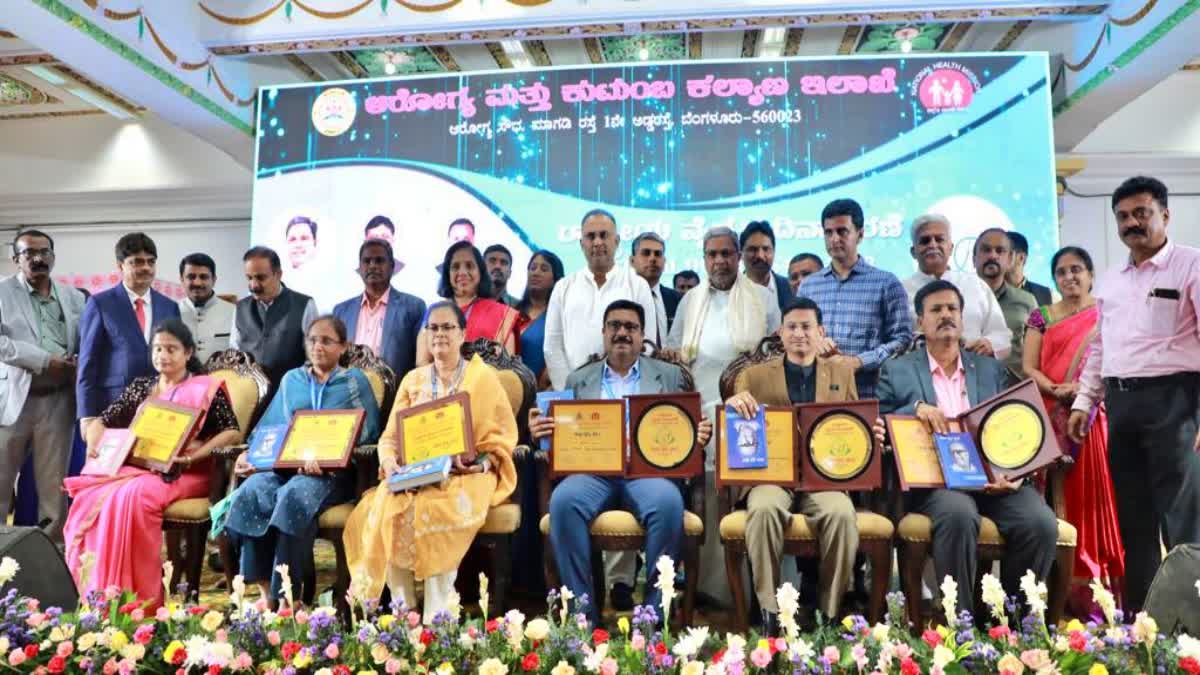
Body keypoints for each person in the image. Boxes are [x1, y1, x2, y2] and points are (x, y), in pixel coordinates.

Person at [874, 280, 1058, 613]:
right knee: (959, 515)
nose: (945, 315)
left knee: (1040, 523)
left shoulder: (990, 369)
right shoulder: (898, 370)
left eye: (952, 309)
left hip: (996, 480)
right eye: (936, 310)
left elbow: (1013, 424)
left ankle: (1014, 623)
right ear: (920, 322)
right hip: (938, 483)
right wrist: (915, 408)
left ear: (962, 318)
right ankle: (960, 625)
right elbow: (881, 419)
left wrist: (1015, 475)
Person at [530, 299, 712, 623]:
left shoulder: (669, 376)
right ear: (603, 333)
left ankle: (653, 620)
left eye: (631, 327)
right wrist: (542, 432)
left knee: (668, 503)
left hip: (648, 473)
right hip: (594, 474)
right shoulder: (578, 379)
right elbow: (564, 436)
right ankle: (582, 617)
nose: (622, 333)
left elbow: (685, 427)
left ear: (643, 335)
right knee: (563, 501)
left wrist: (696, 436)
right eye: (615, 325)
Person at [1067, 175, 1200, 614]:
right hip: (1121, 406)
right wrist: (1086, 401)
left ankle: (1193, 625)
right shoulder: (1109, 280)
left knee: (1184, 522)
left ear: (1165, 214)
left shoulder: (1191, 266)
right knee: (1135, 524)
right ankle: (1147, 627)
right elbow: (1101, 345)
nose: (1132, 223)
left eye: (1141, 213)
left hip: (1176, 402)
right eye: (1123, 216)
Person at [344, 301, 518, 622]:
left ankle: (437, 619)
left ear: (463, 334)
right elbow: (390, 437)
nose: (439, 334)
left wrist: (478, 463)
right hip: (415, 473)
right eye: (433, 328)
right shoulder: (414, 380)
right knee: (388, 505)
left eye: (447, 327)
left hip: (466, 474)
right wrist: (390, 461)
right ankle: (402, 612)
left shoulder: (483, 379)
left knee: (438, 507)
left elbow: (501, 440)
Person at [64, 319, 241, 607]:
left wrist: (193, 456)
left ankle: (141, 597)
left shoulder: (205, 388)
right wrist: (94, 443)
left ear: (188, 352)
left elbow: (231, 431)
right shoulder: (141, 387)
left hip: (187, 471)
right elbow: (102, 421)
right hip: (140, 468)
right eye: (158, 349)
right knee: (90, 495)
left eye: (171, 349)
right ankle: (99, 590)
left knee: (133, 496)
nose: (163, 355)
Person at [225, 316, 382, 606]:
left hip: (332, 475)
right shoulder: (292, 379)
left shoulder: (353, 381)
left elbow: (371, 431)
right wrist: (250, 453)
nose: (318, 346)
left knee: (293, 495)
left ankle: (288, 597)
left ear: (343, 346)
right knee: (251, 491)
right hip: (286, 468)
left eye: (326, 341)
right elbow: (269, 428)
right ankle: (264, 594)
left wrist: (332, 456)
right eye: (312, 340)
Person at [724, 297, 859, 630]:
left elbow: (857, 427)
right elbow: (736, 423)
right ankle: (769, 614)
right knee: (764, 510)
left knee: (842, 514)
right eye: (792, 327)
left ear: (820, 331)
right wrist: (733, 401)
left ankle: (828, 615)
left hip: (823, 478)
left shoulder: (841, 372)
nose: (799, 334)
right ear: (780, 334)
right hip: (770, 476)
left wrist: (873, 434)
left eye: (807, 326)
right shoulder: (753, 375)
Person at [667, 226, 780, 608]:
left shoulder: (763, 298)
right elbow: (673, 351)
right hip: (701, 412)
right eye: (712, 255)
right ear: (703, 258)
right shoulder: (690, 301)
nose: (720, 261)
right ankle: (712, 588)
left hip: (749, 414)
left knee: (745, 495)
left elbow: (774, 354)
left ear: (738, 256)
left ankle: (752, 592)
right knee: (708, 499)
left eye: (727, 254)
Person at [1023, 245, 1124, 612]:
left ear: (1091, 274)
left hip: (1092, 420)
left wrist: (1084, 393)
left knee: (1093, 502)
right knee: (1055, 502)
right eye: (1062, 272)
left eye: (1077, 269)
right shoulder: (1041, 316)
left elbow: (1115, 362)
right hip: (1051, 418)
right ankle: (1056, 593)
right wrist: (1054, 388)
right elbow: (1029, 368)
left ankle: (1095, 595)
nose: (1070, 277)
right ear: (1054, 280)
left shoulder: (1105, 313)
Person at [0, 230, 86, 544]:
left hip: (59, 401)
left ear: (53, 255)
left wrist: (78, 359)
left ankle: (51, 559)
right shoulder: (2, 291)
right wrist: (44, 360)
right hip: (13, 401)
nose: (38, 258)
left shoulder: (74, 296)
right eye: (29, 253)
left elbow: (83, 339)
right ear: (16, 259)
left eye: (44, 252)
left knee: (53, 490)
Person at [798, 199, 913, 399]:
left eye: (842, 231)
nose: (834, 239)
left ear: (860, 234)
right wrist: (813, 343)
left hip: (867, 395)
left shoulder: (886, 283)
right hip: (814, 395)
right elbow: (795, 333)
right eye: (828, 232)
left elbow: (902, 339)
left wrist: (859, 362)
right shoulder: (808, 286)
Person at [544, 209, 658, 389]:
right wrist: (569, 389)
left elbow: (648, 344)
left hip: (628, 388)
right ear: (582, 244)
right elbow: (552, 347)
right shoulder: (563, 287)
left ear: (617, 241)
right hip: (576, 393)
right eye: (591, 236)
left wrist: (627, 386)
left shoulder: (637, 285)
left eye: (604, 235)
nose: (597, 242)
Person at [77, 233, 182, 421]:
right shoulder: (101, 304)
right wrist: (87, 416)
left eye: (151, 262)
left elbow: (178, 359)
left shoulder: (169, 306)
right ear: (120, 266)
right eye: (137, 262)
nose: (146, 268)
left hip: (161, 406)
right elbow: (87, 363)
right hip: (113, 405)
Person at [902, 214, 1011, 359]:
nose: (933, 245)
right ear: (913, 252)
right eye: (925, 241)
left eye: (939, 239)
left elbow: (1002, 335)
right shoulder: (901, 291)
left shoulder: (975, 285)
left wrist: (989, 343)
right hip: (919, 376)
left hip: (975, 373)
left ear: (951, 247)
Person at [332, 240, 426, 378]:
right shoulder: (341, 311)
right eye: (367, 261)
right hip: (349, 394)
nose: (372, 266)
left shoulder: (413, 307)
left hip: (395, 396)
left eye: (379, 260)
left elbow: (421, 363)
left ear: (392, 266)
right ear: (360, 267)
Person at [231, 246, 318, 391]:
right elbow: (235, 353)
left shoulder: (305, 305)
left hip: (292, 392)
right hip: (250, 396)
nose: (254, 285)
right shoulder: (240, 308)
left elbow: (314, 357)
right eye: (249, 278)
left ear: (278, 274)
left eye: (261, 277)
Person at [417, 242, 520, 364]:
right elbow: (422, 363)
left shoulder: (502, 314)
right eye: (455, 267)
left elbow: (508, 369)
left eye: (469, 266)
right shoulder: (434, 312)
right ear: (447, 274)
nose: (462, 272)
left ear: (480, 272)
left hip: (486, 382)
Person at [973, 229, 1037, 378]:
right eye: (986, 250)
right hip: (967, 390)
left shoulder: (1028, 301)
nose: (992, 255)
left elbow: (1040, 350)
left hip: (1014, 391)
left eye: (1000, 250)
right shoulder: (958, 299)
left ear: (1010, 259)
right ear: (974, 258)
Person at [517, 250, 564, 389]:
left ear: (556, 279)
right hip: (511, 394)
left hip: (546, 392)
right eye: (532, 268)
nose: (536, 273)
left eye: (544, 269)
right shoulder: (511, 313)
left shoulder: (561, 316)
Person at [178, 253, 235, 363]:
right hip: (182, 379)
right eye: (191, 277)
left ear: (214, 280)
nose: (197, 282)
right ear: (182, 280)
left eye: (204, 277)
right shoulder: (171, 311)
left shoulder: (234, 312)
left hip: (222, 379)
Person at [630, 232, 682, 339]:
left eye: (658, 254)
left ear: (664, 261)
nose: (652, 259)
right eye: (646, 253)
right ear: (632, 261)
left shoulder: (678, 299)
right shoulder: (623, 294)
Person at [740, 221, 794, 312]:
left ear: (774, 251)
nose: (760, 256)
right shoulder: (732, 289)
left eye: (766, 249)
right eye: (753, 249)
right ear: (741, 253)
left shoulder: (788, 287)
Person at [1006, 231, 1053, 307]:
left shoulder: (1046, 294)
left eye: (1004, 252)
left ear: (1021, 258)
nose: (997, 257)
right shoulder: (988, 292)